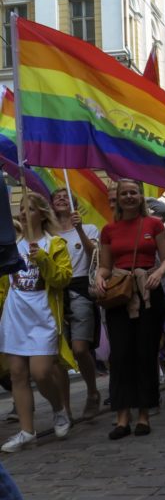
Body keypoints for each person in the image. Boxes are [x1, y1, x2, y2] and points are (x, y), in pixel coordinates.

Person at [94, 179, 165, 439]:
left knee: (144, 354)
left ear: (141, 197)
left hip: (148, 293)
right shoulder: (108, 230)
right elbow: (105, 265)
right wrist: (99, 277)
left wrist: (158, 273)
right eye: (124, 193)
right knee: (120, 355)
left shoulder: (154, 225)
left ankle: (143, 415)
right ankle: (121, 417)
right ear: (118, 197)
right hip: (120, 295)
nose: (129, 196)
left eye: (134, 193)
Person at [0, 193, 73, 452]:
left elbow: (63, 279)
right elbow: (3, 285)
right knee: (18, 374)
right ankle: (26, 430)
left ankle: (58, 409)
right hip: (14, 318)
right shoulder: (11, 246)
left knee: (41, 373)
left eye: (29, 209)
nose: (22, 213)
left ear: (42, 213)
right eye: (20, 209)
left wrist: (42, 259)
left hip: (42, 318)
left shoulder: (55, 244)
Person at [51, 189, 101, 419]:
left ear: (74, 204)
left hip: (80, 289)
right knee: (59, 355)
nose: (61, 198)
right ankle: (65, 408)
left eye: (66, 196)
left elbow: (94, 256)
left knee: (81, 348)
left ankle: (92, 392)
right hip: (55, 293)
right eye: (57, 196)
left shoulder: (89, 229)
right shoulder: (47, 234)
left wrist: (79, 229)